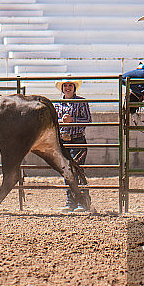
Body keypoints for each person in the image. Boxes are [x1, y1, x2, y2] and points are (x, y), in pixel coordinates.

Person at [53, 78, 92, 212]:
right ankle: (72, 201)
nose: (68, 88)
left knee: (77, 169)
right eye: (65, 85)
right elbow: (53, 121)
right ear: (62, 88)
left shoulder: (81, 101)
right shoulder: (57, 104)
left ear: (74, 88)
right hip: (63, 141)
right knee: (67, 170)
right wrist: (61, 120)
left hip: (77, 139)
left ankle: (82, 201)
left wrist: (72, 120)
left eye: (70, 85)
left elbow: (88, 119)